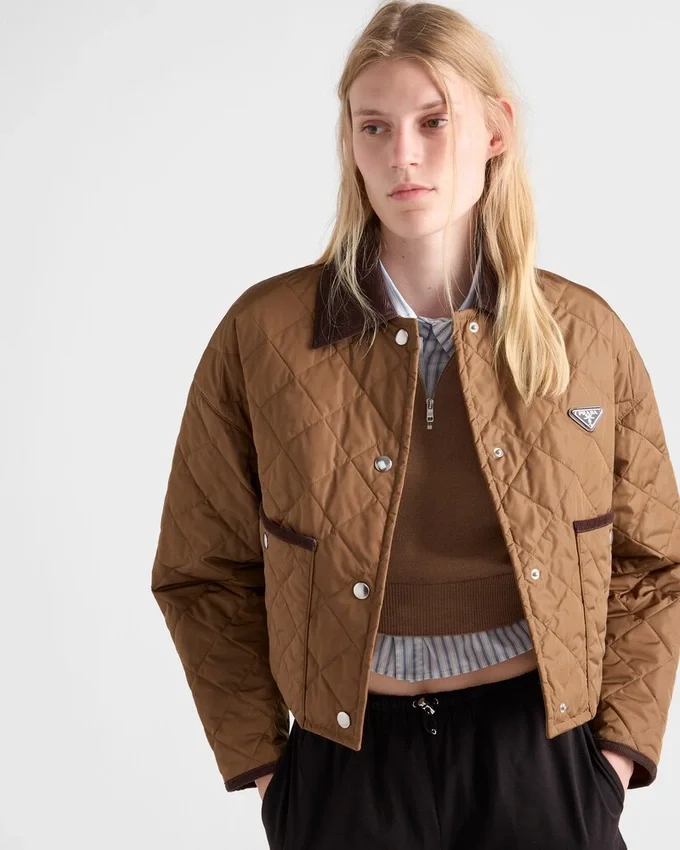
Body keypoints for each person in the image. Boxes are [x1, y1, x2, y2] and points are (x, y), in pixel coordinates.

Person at [150, 2, 680, 848]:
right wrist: (271, 772)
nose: (402, 154)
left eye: (434, 122)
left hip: (540, 759)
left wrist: (612, 759)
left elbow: (654, 565)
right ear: (350, 142)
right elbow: (202, 570)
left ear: (496, 130)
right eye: (375, 127)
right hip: (345, 767)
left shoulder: (585, 335)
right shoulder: (265, 335)